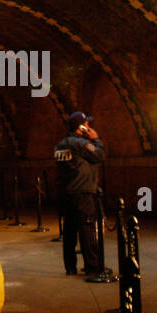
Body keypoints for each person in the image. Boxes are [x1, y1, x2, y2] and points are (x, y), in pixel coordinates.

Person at [54, 111, 106, 280]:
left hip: (66, 194)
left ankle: (70, 267)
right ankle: (93, 268)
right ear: (81, 127)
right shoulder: (81, 144)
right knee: (87, 230)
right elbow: (99, 155)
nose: (90, 127)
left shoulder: (60, 146)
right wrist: (96, 139)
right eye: (87, 124)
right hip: (83, 193)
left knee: (69, 232)